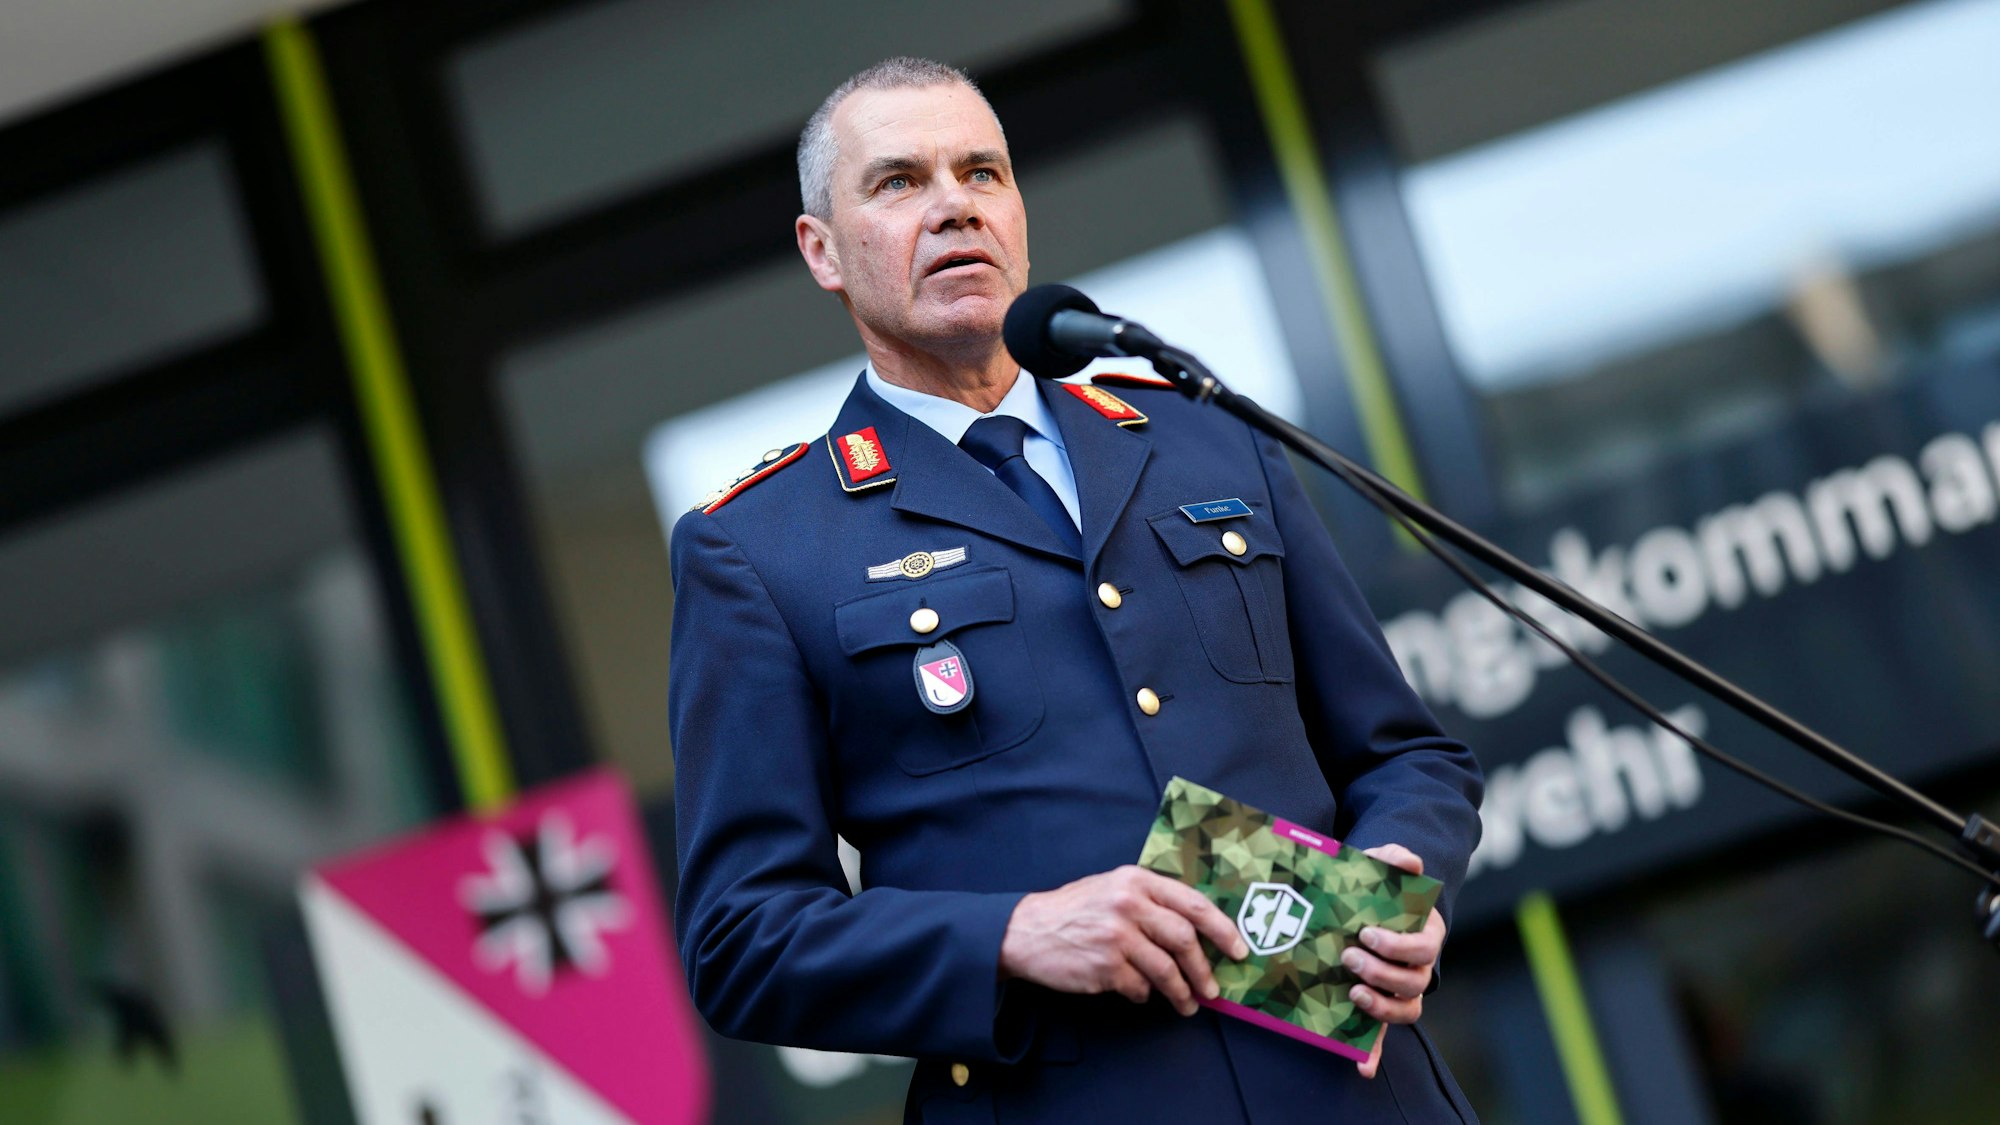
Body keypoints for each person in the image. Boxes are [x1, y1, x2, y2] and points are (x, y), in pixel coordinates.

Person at [668, 56, 1484, 1123]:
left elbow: (1403, 754)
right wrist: (1009, 934)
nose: (953, 205)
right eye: (899, 182)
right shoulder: (762, 548)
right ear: (822, 250)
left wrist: (1397, 878)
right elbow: (743, 940)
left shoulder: (1206, 440)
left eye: (982, 173)